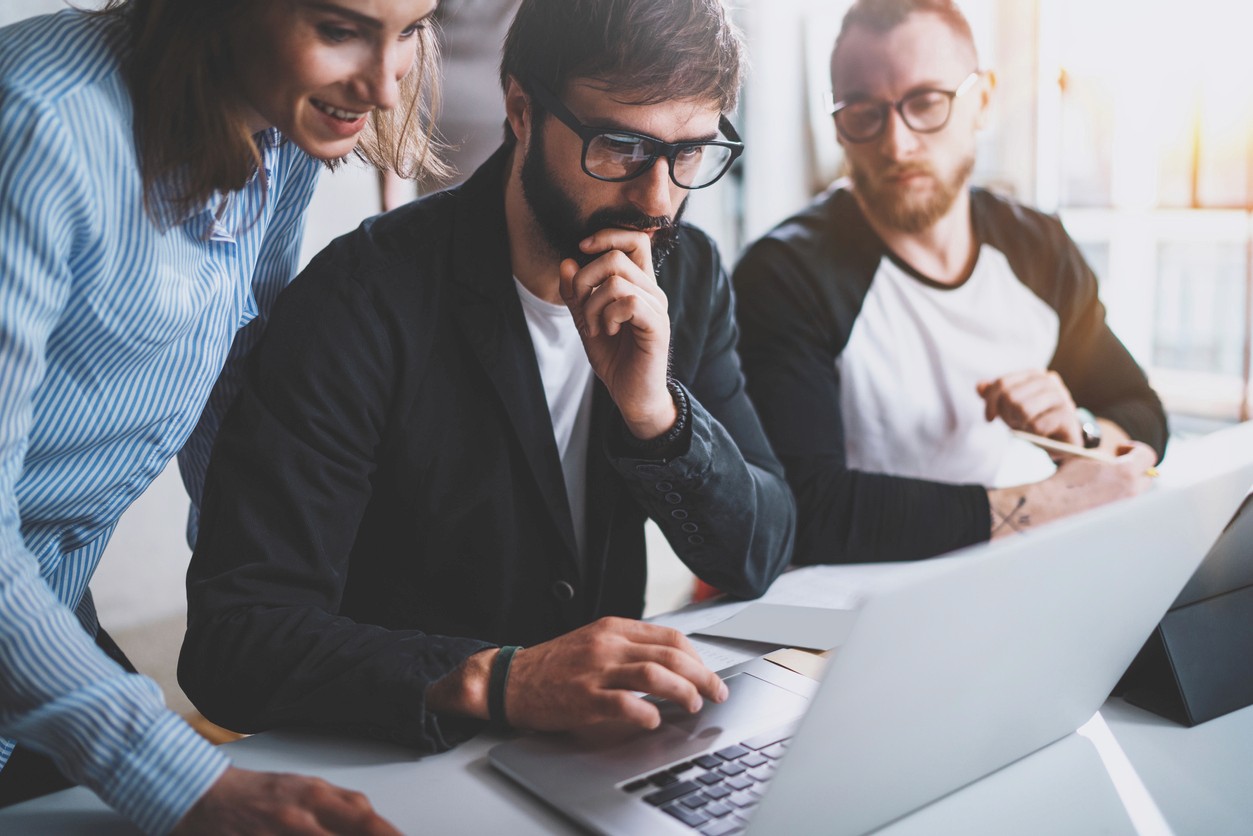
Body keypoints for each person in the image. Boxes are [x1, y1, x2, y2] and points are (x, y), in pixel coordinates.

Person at [178, 0, 793, 749]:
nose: (659, 199)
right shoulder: (361, 301)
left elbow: (761, 551)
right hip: (404, 761)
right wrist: (494, 679)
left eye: (690, 152)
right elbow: (233, 646)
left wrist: (656, 415)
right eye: (621, 146)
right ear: (521, 109)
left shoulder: (685, 275)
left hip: (603, 749)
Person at [0, 0, 447, 831]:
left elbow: (239, 379)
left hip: (47, 597)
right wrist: (187, 784)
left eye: (414, 26)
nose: (387, 89)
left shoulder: (280, 127)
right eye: (341, 28)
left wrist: (294, 614)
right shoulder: (40, 124)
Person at [732, 0, 1167, 566]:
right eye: (863, 112)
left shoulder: (1037, 248)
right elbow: (808, 511)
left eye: (926, 103)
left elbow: (1140, 410)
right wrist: (1048, 502)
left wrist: (1076, 434)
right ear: (838, 126)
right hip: (829, 599)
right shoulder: (784, 276)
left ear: (982, 100)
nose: (897, 143)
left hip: (971, 572)